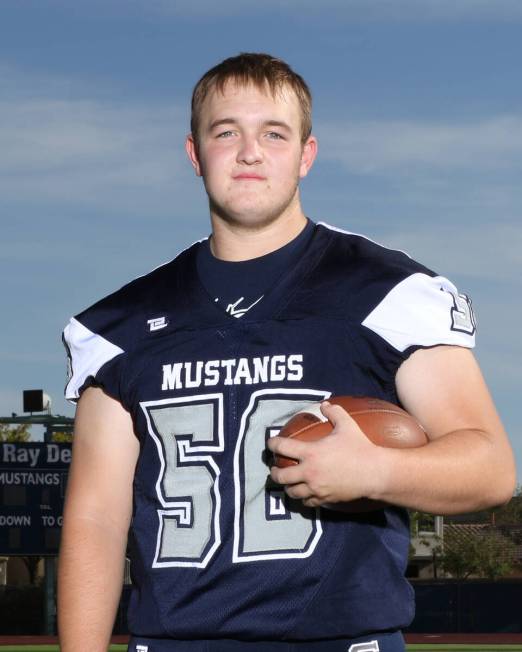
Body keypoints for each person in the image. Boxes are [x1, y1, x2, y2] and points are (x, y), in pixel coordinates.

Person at [58, 53, 516, 652]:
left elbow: (490, 468)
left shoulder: (384, 293)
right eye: (227, 132)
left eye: (274, 133)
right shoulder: (119, 326)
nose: (250, 152)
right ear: (195, 154)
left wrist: (377, 472)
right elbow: (96, 520)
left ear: (306, 155)